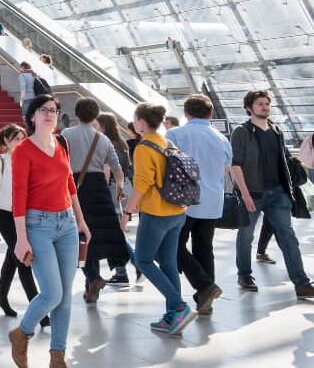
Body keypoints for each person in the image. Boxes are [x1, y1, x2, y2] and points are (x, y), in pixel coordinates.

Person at [9, 94, 90, 368]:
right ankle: (22, 333)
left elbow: (70, 184)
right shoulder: (23, 150)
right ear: (32, 117)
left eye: (54, 110)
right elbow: (18, 195)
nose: (49, 114)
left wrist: (80, 220)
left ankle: (58, 357)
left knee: (66, 296)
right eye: (43, 110)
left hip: (66, 223)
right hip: (38, 225)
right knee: (52, 294)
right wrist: (21, 238)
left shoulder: (61, 143)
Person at [230, 90, 314, 297]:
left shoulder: (276, 130)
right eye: (260, 104)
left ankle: (301, 283)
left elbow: (284, 160)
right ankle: (244, 274)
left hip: (278, 193)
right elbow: (235, 165)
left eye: (267, 103)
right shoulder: (241, 131)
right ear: (249, 108)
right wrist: (245, 194)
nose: (265, 107)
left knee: (288, 236)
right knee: (246, 236)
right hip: (253, 193)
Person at [122, 102, 196, 335]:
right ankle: (173, 317)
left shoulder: (144, 147)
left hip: (156, 213)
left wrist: (127, 212)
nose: (134, 123)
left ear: (142, 122)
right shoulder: (167, 143)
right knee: (168, 263)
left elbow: (143, 183)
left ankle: (179, 306)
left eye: (135, 119)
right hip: (177, 211)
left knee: (143, 260)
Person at [165, 94, 230, 314]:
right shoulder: (222, 139)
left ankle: (205, 285)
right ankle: (205, 297)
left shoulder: (175, 134)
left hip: (184, 200)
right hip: (212, 200)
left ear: (186, 113)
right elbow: (225, 169)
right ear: (211, 114)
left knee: (173, 245)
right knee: (204, 247)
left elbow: (167, 164)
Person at [61, 98, 130, 304]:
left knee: (81, 236)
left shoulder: (66, 135)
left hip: (75, 189)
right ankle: (92, 282)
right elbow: (117, 170)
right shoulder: (103, 139)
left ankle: (92, 278)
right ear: (96, 114)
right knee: (99, 234)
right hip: (99, 188)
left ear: (76, 113)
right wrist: (119, 187)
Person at [0, 124, 41, 319]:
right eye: (16, 138)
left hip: (23, 214)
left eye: (23, 138)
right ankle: (39, 313)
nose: (20, 142)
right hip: (4, 214)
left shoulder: (28, 161)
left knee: (12, 257)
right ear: (6, 141)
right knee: (23, 259)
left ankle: (1, 296)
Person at [93, 112, 135, 284]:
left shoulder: (106, 143)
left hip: (108, 188)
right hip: (120, 186)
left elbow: (106, 169)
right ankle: (122, 270)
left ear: (103, 126)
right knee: (115, 231)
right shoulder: (122, 143)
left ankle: (130, 265)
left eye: (96, 125)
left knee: (112, 233)